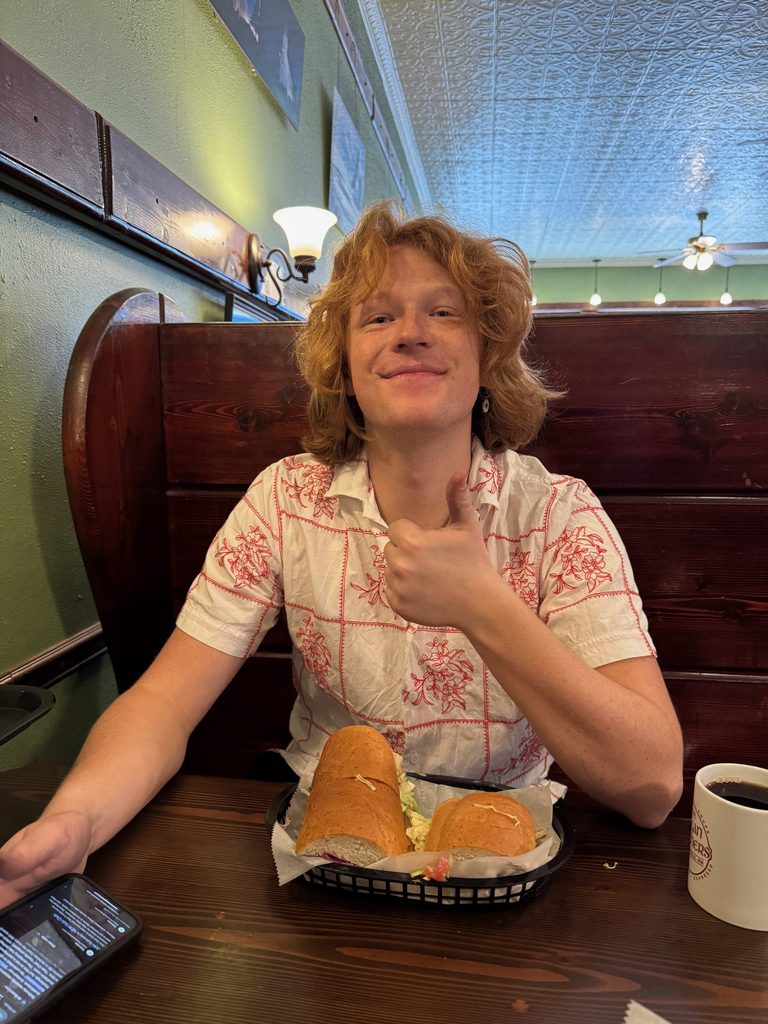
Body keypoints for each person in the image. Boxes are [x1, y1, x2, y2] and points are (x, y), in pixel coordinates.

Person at [0, 202, 682, 909]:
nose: (411, 334)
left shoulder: (557, 514)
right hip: (323, 857)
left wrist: (485, 606)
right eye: (378, 318)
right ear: (346, 369)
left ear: (487, 361)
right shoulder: (285, 499)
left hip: (505, 874)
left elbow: (653, 787)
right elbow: (163, 706)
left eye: (443, 314)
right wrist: (75, 818)